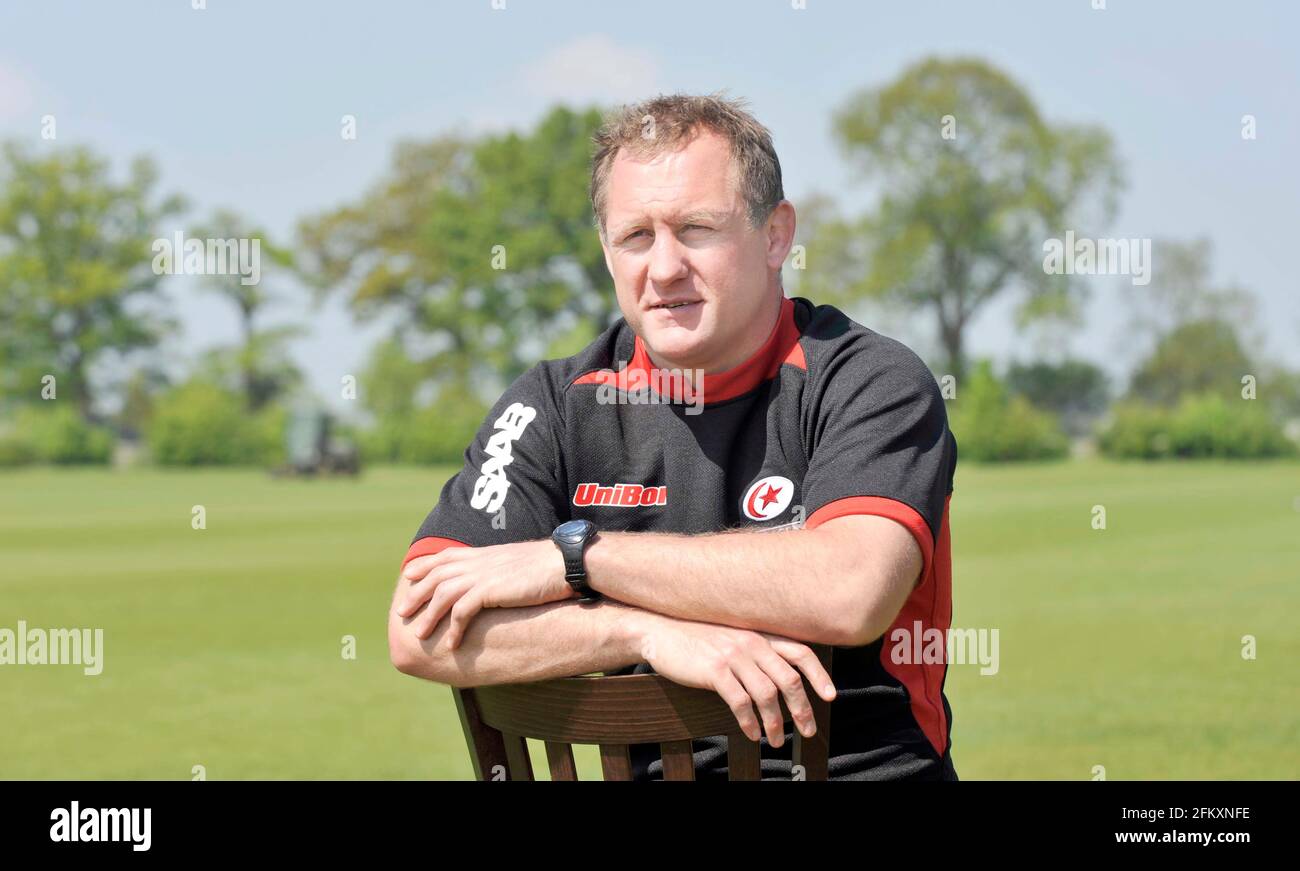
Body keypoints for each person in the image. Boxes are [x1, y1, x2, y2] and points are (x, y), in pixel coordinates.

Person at [388, 93, 958, 780]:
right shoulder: (554, 405)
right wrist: (641, 631)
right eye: (636, 237)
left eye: (695, 229)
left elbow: (851, 590)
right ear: (606, 250)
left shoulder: (869, 378)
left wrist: (580, 560)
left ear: (777, 234)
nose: (662, 269)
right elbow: (417, 630)